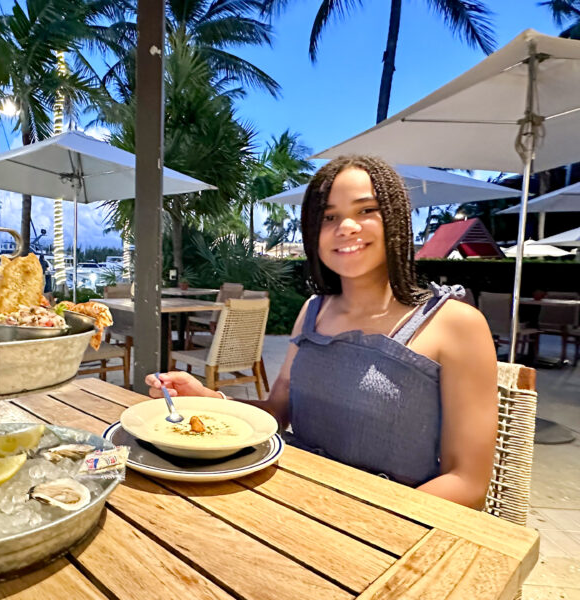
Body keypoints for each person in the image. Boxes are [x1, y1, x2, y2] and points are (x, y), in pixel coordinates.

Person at [146, 155, 498, 509]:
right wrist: (211, 401)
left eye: (365, 210)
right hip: (293, 501)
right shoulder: (313, 310)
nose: (345, 226)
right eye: (328, 217)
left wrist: (355, 522)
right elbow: (279, 409)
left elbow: (467, 483)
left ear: (396, 219)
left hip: (389, 525)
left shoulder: (455, 324)